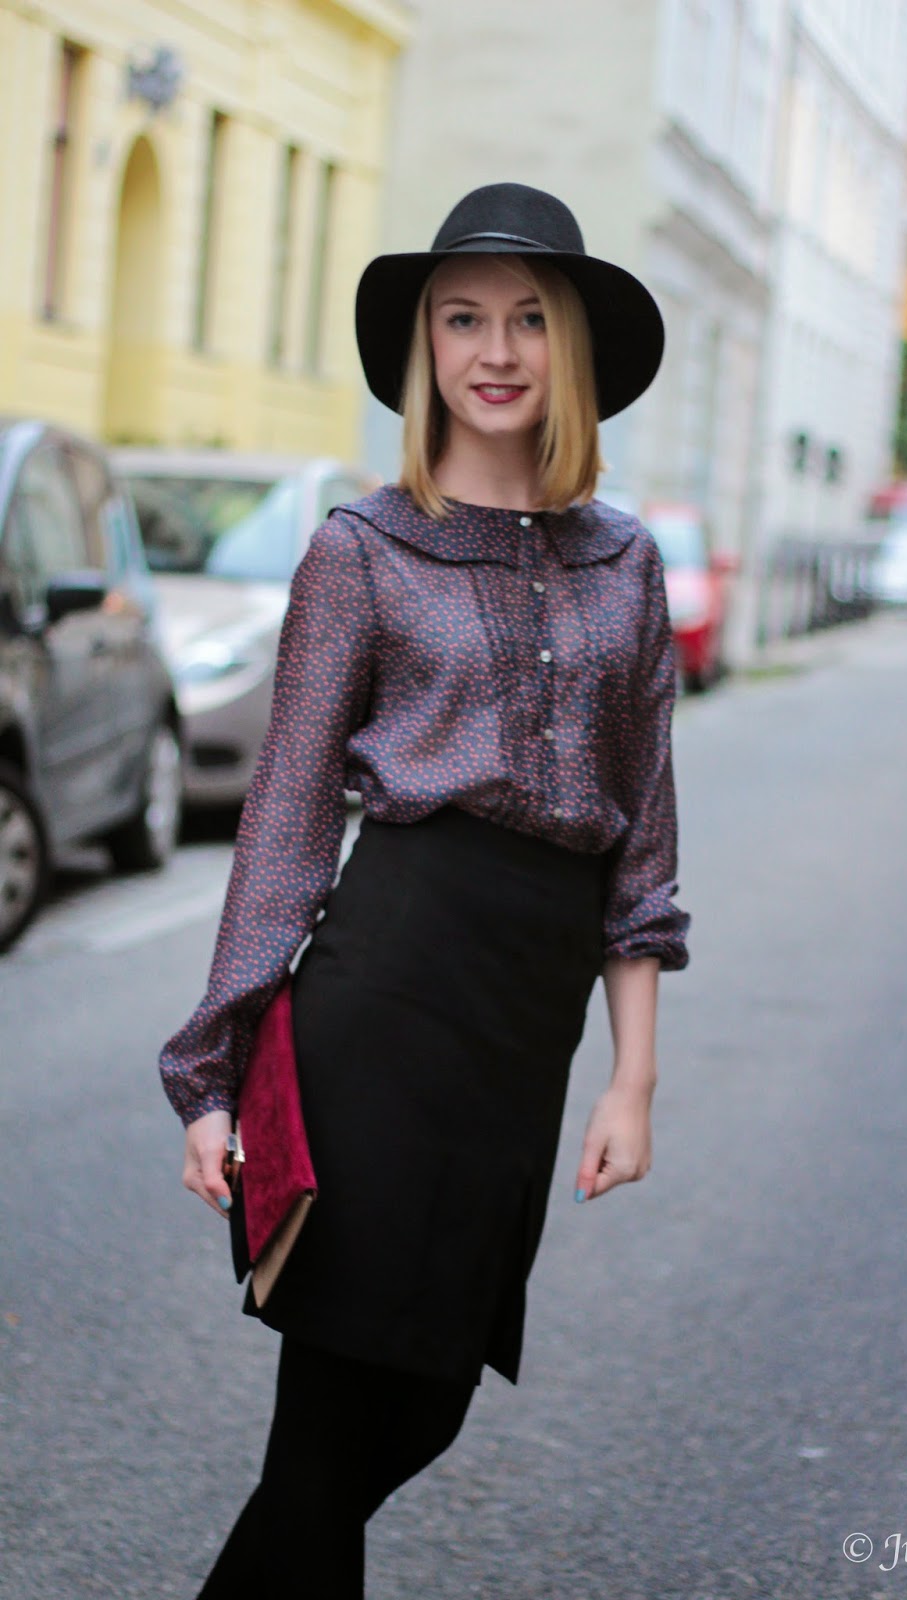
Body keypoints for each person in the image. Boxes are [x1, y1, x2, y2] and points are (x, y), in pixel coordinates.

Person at [160, 181, 691, 1598]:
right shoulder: (362, 549)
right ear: (425, 347)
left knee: (426, 1398)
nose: (494, 351)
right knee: (335, 1429)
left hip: (523, 1033)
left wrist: (633, 1078)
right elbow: (286, 818)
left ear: (573, 349)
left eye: (528, 320)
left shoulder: (627, 564)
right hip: (384, 1005)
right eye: (462, 320)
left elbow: (642, 841)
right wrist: (215, 1069)